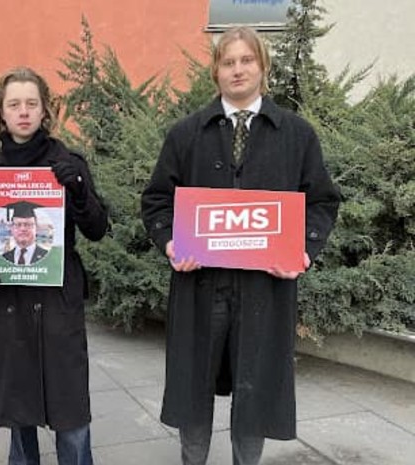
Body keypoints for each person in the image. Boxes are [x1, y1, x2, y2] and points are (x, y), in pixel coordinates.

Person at [141, 27, 341, 465]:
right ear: (215, 71)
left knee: (255, 391)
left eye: (246, 60)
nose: (237, 70)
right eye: (228, 62)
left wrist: (302, 252)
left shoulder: (296, 134)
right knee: (193, 389)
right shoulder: (186, 134)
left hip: (264, 289)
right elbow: (156, 199)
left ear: (263, 66)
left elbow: (322, 202)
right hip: (200, 287)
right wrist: (170, 242)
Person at [0, 67, 109, 465]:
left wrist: (78, 188)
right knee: (19, 409)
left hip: (58, 301)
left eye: (32, 103)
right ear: (1, 112)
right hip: (9, 301)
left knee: (71, 410)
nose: (23, 111)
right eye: (14, 104)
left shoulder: (68, 162)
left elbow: (97, 229)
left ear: (45, 110)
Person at [1, 201, 48, 265]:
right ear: (12, 229)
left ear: (36, 228)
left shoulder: (46, 256)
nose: (23, 229)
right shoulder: (4, 257)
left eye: (28, 224)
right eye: (18, 224)